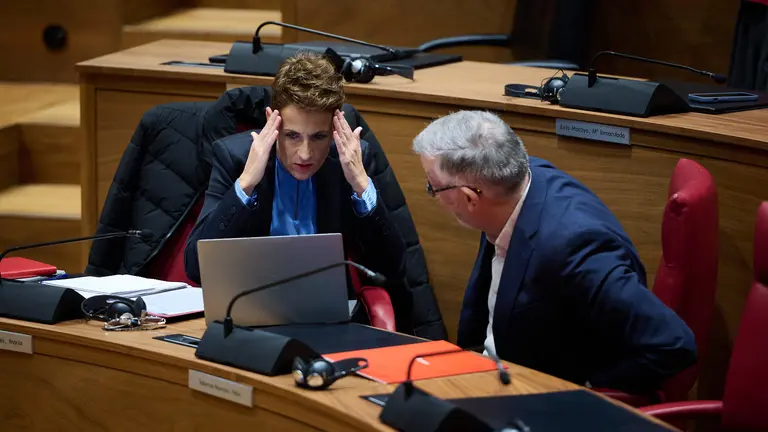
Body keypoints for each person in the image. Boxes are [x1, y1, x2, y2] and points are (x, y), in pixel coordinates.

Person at [412, 110, 697, 392]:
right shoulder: (516, 184)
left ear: (469, 198)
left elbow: (672, 344)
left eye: (432, 187)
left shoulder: (576, 249)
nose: (432, 195)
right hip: (490, 376)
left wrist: (584, 392)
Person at [184, 51, 447, 339]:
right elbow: (197, 268)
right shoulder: (235, 158)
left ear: (335, 128)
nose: (305, 154)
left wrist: (361, 184)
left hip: (330, 322)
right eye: (293, 136)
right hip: (249, 322)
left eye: (319, 137)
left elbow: (392, 267)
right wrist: (246, 184)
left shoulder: (349, 162)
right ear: (273, 121)